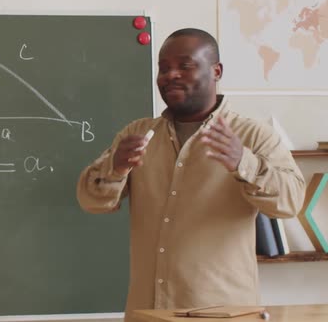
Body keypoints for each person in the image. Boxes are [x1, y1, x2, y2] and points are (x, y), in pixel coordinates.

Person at [76, 28, 306, 317]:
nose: (170, 75)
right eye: (163, 68)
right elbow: (91, 201)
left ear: (217, 71)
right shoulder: (138, 133)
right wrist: (116, 168)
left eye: (185, 66)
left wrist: (243, 162)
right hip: (148, 312)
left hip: (223, 313)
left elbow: (291, 201)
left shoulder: (252, 136)